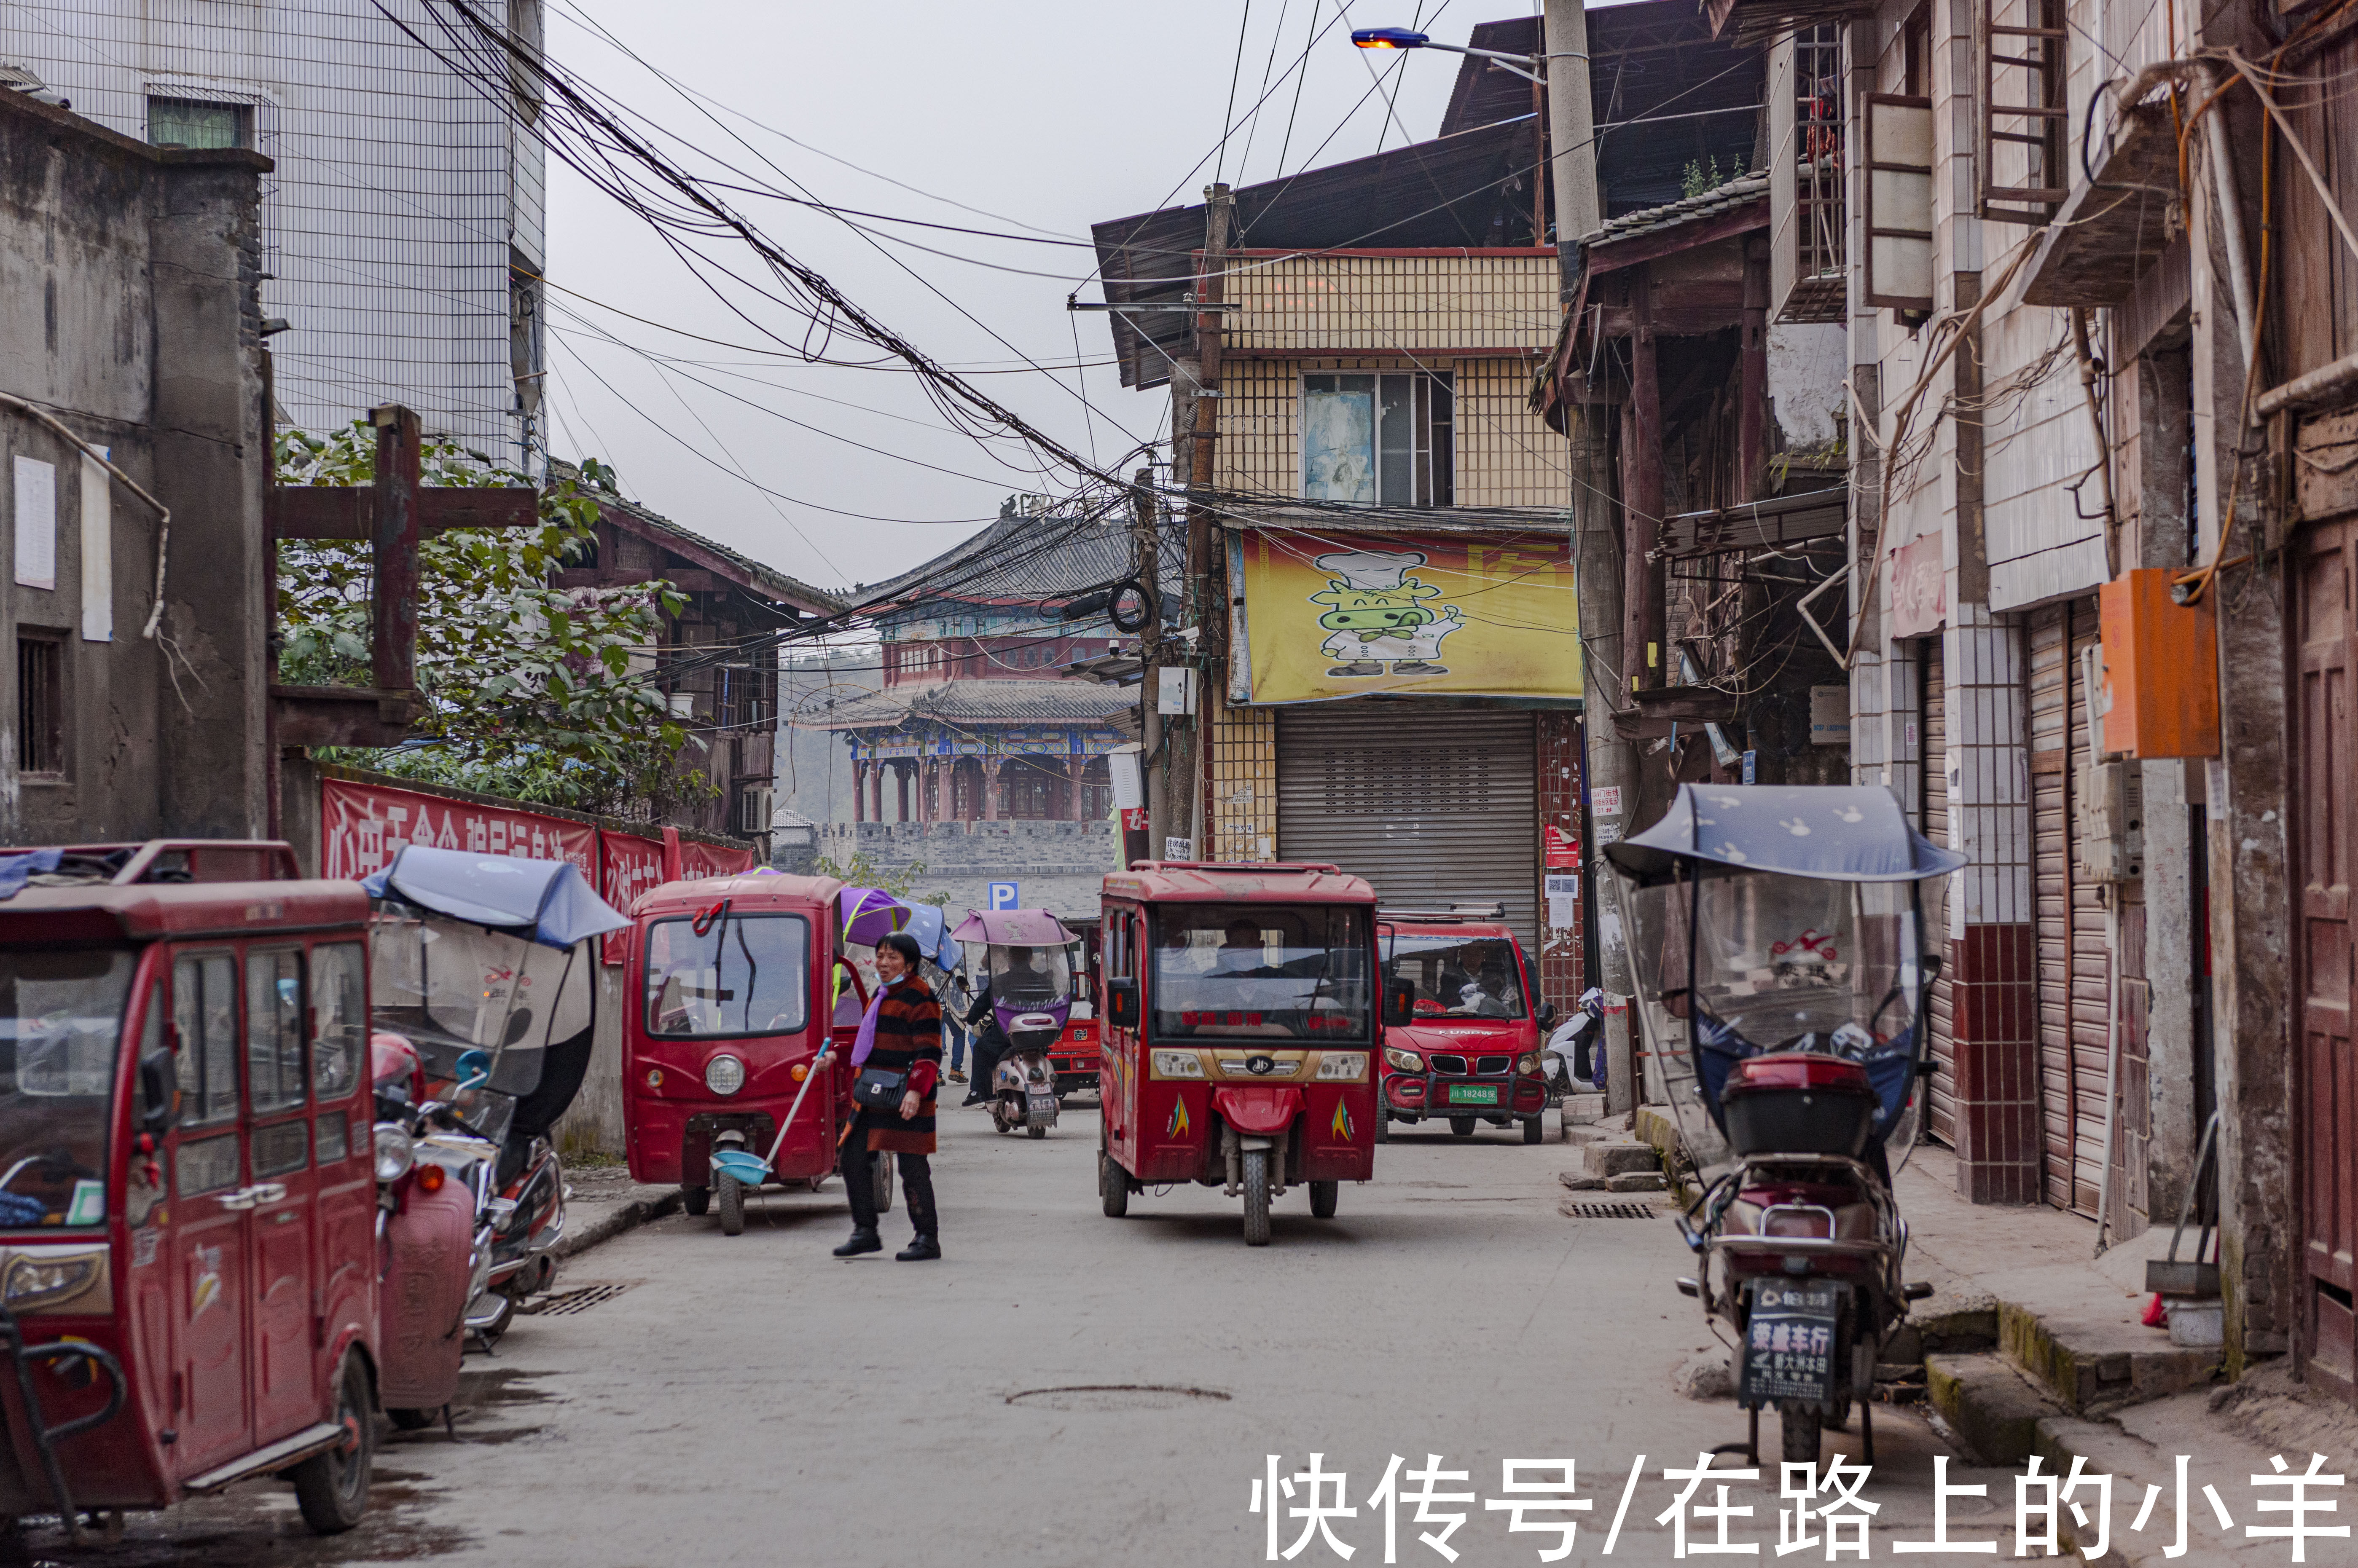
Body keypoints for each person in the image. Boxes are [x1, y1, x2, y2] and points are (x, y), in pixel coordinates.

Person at [834, 932, 942, 1261]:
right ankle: (865, 1230)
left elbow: (929, 1051)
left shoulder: (921, 997)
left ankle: (926, 1237)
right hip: (872, 1094)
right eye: (880, 955)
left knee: (912, 1167)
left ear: (909, 964)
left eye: (892, 957)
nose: (883, 962)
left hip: (908, 1096)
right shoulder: (879, 997)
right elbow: (869, 1043)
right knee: (852, 1155)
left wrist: (914, 1090)